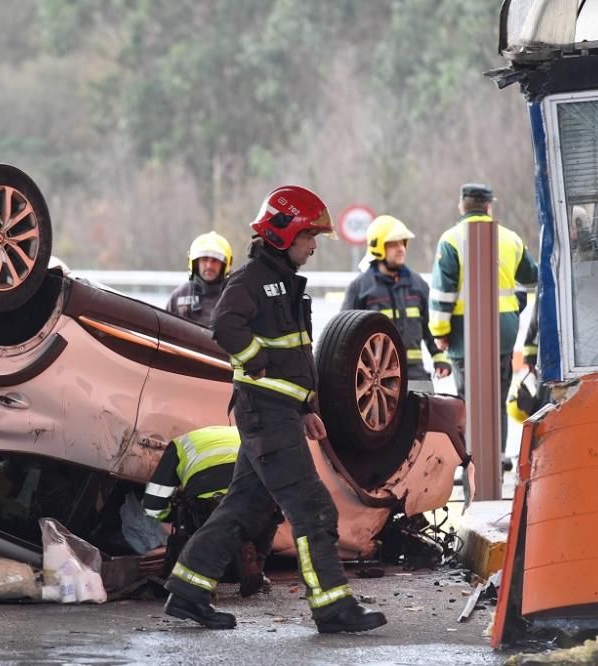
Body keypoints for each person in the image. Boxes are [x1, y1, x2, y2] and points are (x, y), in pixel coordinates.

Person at [162, 185, 387, 634]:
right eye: (309, 236)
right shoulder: (250, 281)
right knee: (312, 506)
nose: (314, 245)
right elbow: (224, 325)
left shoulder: (286, 285)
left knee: (243, 506)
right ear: (283, 234)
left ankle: (187, 590)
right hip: (264, 412)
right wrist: (255, 360)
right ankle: (332, 605)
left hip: (279, 412)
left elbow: (297, 356)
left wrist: (306, 406)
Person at [429, 183, 538, 465]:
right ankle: (497, 458)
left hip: (465, 335)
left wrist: (439, 334)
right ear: (489, 206)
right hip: (503, 332)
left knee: (469, 402)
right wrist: (516, 307)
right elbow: (532, 278)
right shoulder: (510, 239)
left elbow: (443, 295)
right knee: (497, 400)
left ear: (461, 206)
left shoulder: (451, 240)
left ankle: (473, 462)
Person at [142, 425, 281, 597]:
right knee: (269, 510)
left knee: (200, 517)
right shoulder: (250, 432)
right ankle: (256, 566)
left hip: (211, 503)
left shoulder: (180, 445)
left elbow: (153, 503)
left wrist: (172, 516)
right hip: (258, 497)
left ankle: (201, 578)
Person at [343, 215, 451, 386]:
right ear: (377, 248)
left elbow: (430, 326)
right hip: (374, 379)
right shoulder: (360, 288)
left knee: (425, 412)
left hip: (415, 374)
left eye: (402, 243)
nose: (401, 249)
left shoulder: (418, 285)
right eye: (393, 244)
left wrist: (440, 358)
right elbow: (345, 336)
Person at [166, 231, 232, 326]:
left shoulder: (235, 298)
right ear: (195, 263)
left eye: (215, 260)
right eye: (204, 259)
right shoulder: (178, 296)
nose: (209, 265)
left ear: (225, 265)